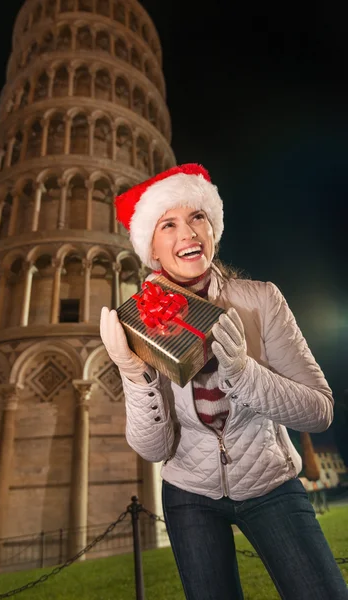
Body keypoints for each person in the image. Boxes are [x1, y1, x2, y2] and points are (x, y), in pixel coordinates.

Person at [100, 164, 347, 600]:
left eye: (198, 217)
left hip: (270, 482)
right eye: (168, 224)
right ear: (152, 248)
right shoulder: (141, 322)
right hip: (188, 493)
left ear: (213, 229)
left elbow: (320, 411)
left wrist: (245, 374)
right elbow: (155, 449)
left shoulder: (261, 299)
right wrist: (132, 370)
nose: (188, 233)